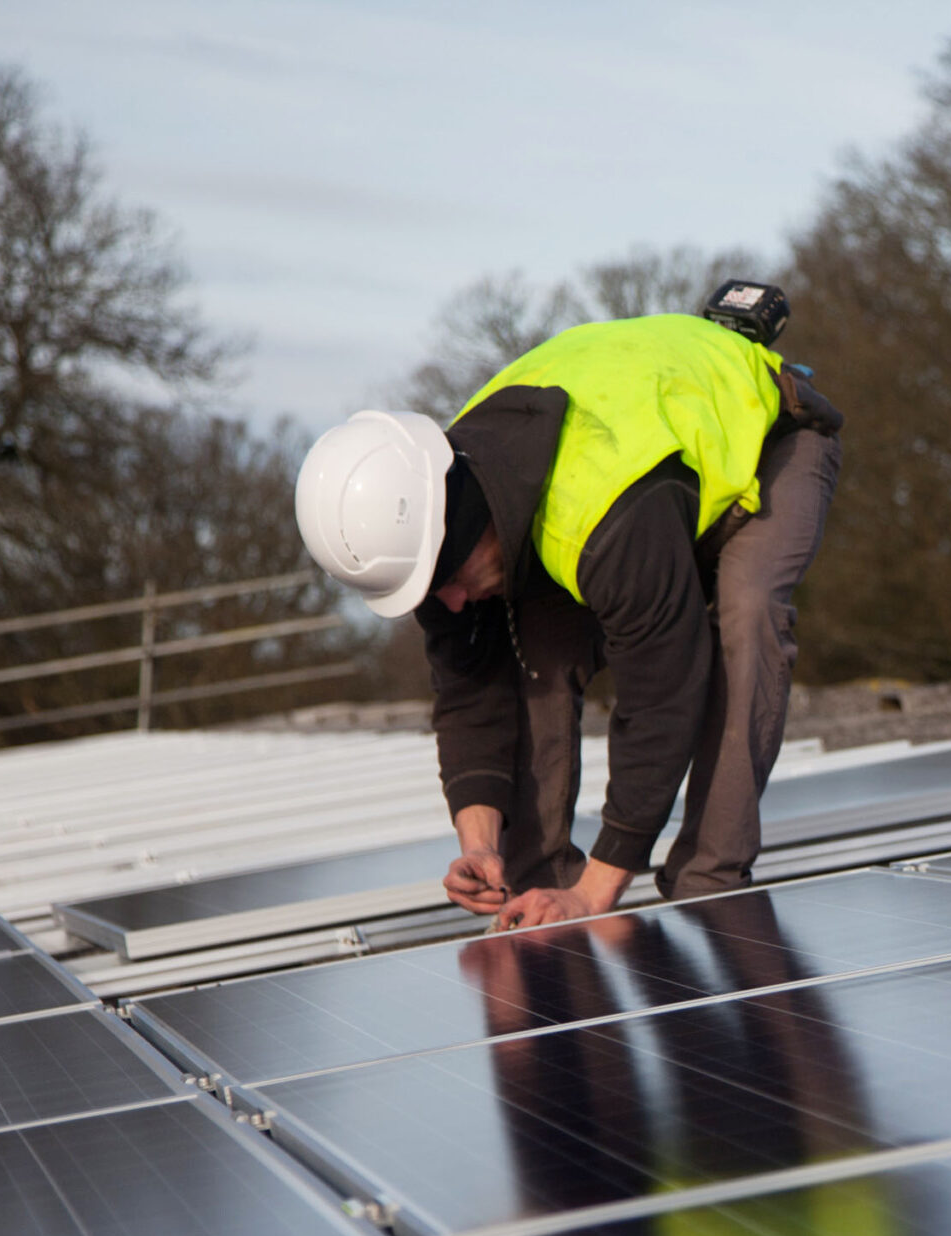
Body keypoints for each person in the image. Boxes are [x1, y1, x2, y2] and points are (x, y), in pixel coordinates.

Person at [293, 286, 842, 928]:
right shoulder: (430, 539)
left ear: (471, 525)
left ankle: (707, 881)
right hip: (641, 471)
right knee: (537, 646)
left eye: (447, 579)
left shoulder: (598, 517)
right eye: (426, 591)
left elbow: (663, 690)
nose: (447, 602)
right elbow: (471, 695)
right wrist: (479, 844)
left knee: (745, 614)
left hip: (767, 434)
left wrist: (599, 889)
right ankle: (538, 883)